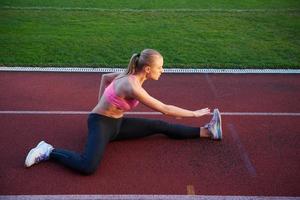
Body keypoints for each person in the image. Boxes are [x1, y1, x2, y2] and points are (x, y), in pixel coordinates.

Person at [24, 49, 222, 175]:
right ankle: (48, 150)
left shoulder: (130, 76)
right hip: (101, 123)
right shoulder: (131, 86)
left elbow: (104, 77)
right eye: (160, 67)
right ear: (147, 69)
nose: (163, 70)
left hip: (117, 124)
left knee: (158, 126)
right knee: (87, 166)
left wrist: (101, 101)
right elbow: (164, 109)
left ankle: (208, 131)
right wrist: (195, 113)